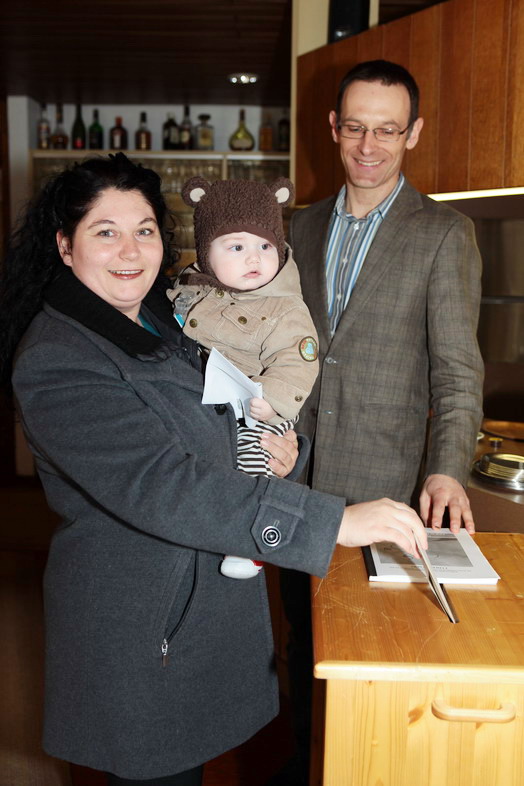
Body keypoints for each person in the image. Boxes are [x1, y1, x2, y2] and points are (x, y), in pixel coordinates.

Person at [0, 153, 427, 786]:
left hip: (197, 619)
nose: (130, 251)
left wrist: (284, 450)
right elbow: (164, 485)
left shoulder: (164, 319)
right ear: (65, 245)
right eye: (105, 231)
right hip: (144, 631)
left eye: (145, 230)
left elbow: (227, 418)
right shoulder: (59, 358)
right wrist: (331, 522)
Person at [272, 59, 484, 785]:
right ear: (334, 128)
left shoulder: (444, 233)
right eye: (356, 127)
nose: (369, 145)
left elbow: (456, 370)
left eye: (387, 130)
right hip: (298, 485)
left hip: (386, 492)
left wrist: (447, 469)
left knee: (376, 653)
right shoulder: (298, 227)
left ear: (413, 133)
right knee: (303, 643)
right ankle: (307, 763)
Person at [167, 176, 319, 579]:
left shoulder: (284, 307)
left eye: (265, 247)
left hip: (258, 407)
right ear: (206, 254)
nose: (254, 258)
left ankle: (252, 543)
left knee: (254, 463)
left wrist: (272, 399)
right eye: (236, 247)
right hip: (210, 407)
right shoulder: (191, 287)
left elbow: (298, 359)